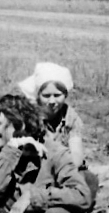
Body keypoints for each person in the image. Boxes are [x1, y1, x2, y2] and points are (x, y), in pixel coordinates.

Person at [18, 61, 98, 199]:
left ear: (65, 95)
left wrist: (62, 173)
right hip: (39, 171)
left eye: (57, 95)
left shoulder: (71, 117)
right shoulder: (30, 119)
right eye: (46, 96)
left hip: (65, 169)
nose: (52, 101)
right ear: (38, 96)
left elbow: (76, 155)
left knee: (88, 181)